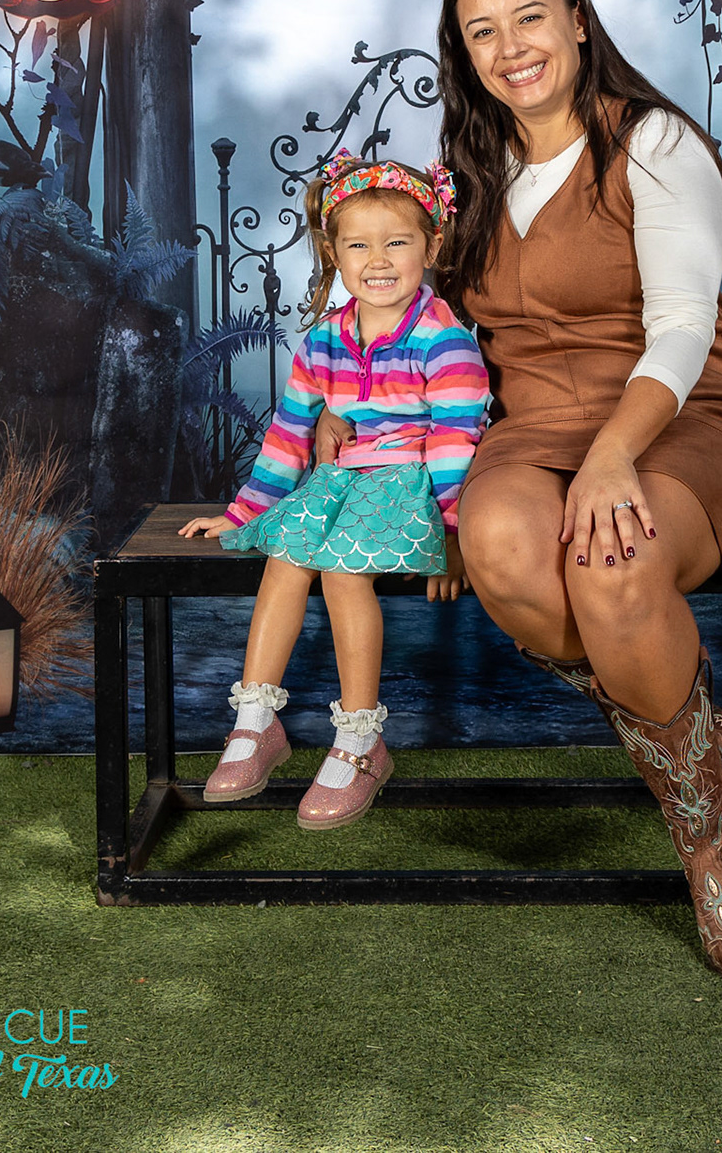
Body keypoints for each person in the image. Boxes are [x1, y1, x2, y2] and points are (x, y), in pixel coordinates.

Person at [320, 0, 722, 974]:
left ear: (577, 19)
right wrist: (367, 428)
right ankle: (708, 746)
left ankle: (706, 843)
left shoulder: (654, 144)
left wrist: (617, 455)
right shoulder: (466, 179)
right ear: (465, 54)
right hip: (531, 429)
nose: (511, 48)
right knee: (499, 544)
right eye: (482, 32)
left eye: (529, 17)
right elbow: (426, 333)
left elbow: (680, 327)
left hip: (682, 418)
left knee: (611, 562)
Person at [177, 153, 489, 830]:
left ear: (432, 245)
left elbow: (456, 443)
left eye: (397, 242)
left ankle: (360, 736)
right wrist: (244, 511)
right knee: (287, 556)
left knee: (344, 571)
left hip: (410, 485)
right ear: (333, 252)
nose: (378, 261)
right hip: (341, 479)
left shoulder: (444, 342)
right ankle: (256, 720)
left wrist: (454, 532)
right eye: (358, 245)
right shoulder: (324, 339)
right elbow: (290, 432)